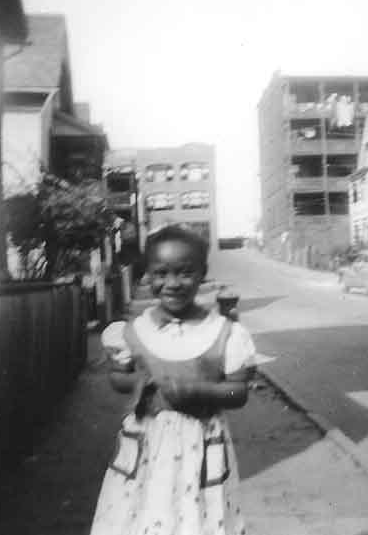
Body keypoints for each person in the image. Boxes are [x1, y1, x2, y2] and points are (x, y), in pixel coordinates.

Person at [90, 225, 256, 535]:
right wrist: (141, 384)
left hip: (201, 443)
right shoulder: (133, 331)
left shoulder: (224, 332)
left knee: (200, 518)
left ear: (202, 273)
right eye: (161, 273)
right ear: (147, 276)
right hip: (147, 446)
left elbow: (239, 392)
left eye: (184, 273)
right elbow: (117, 377)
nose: (173, 283)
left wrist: (198, 390)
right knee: (141, 515)